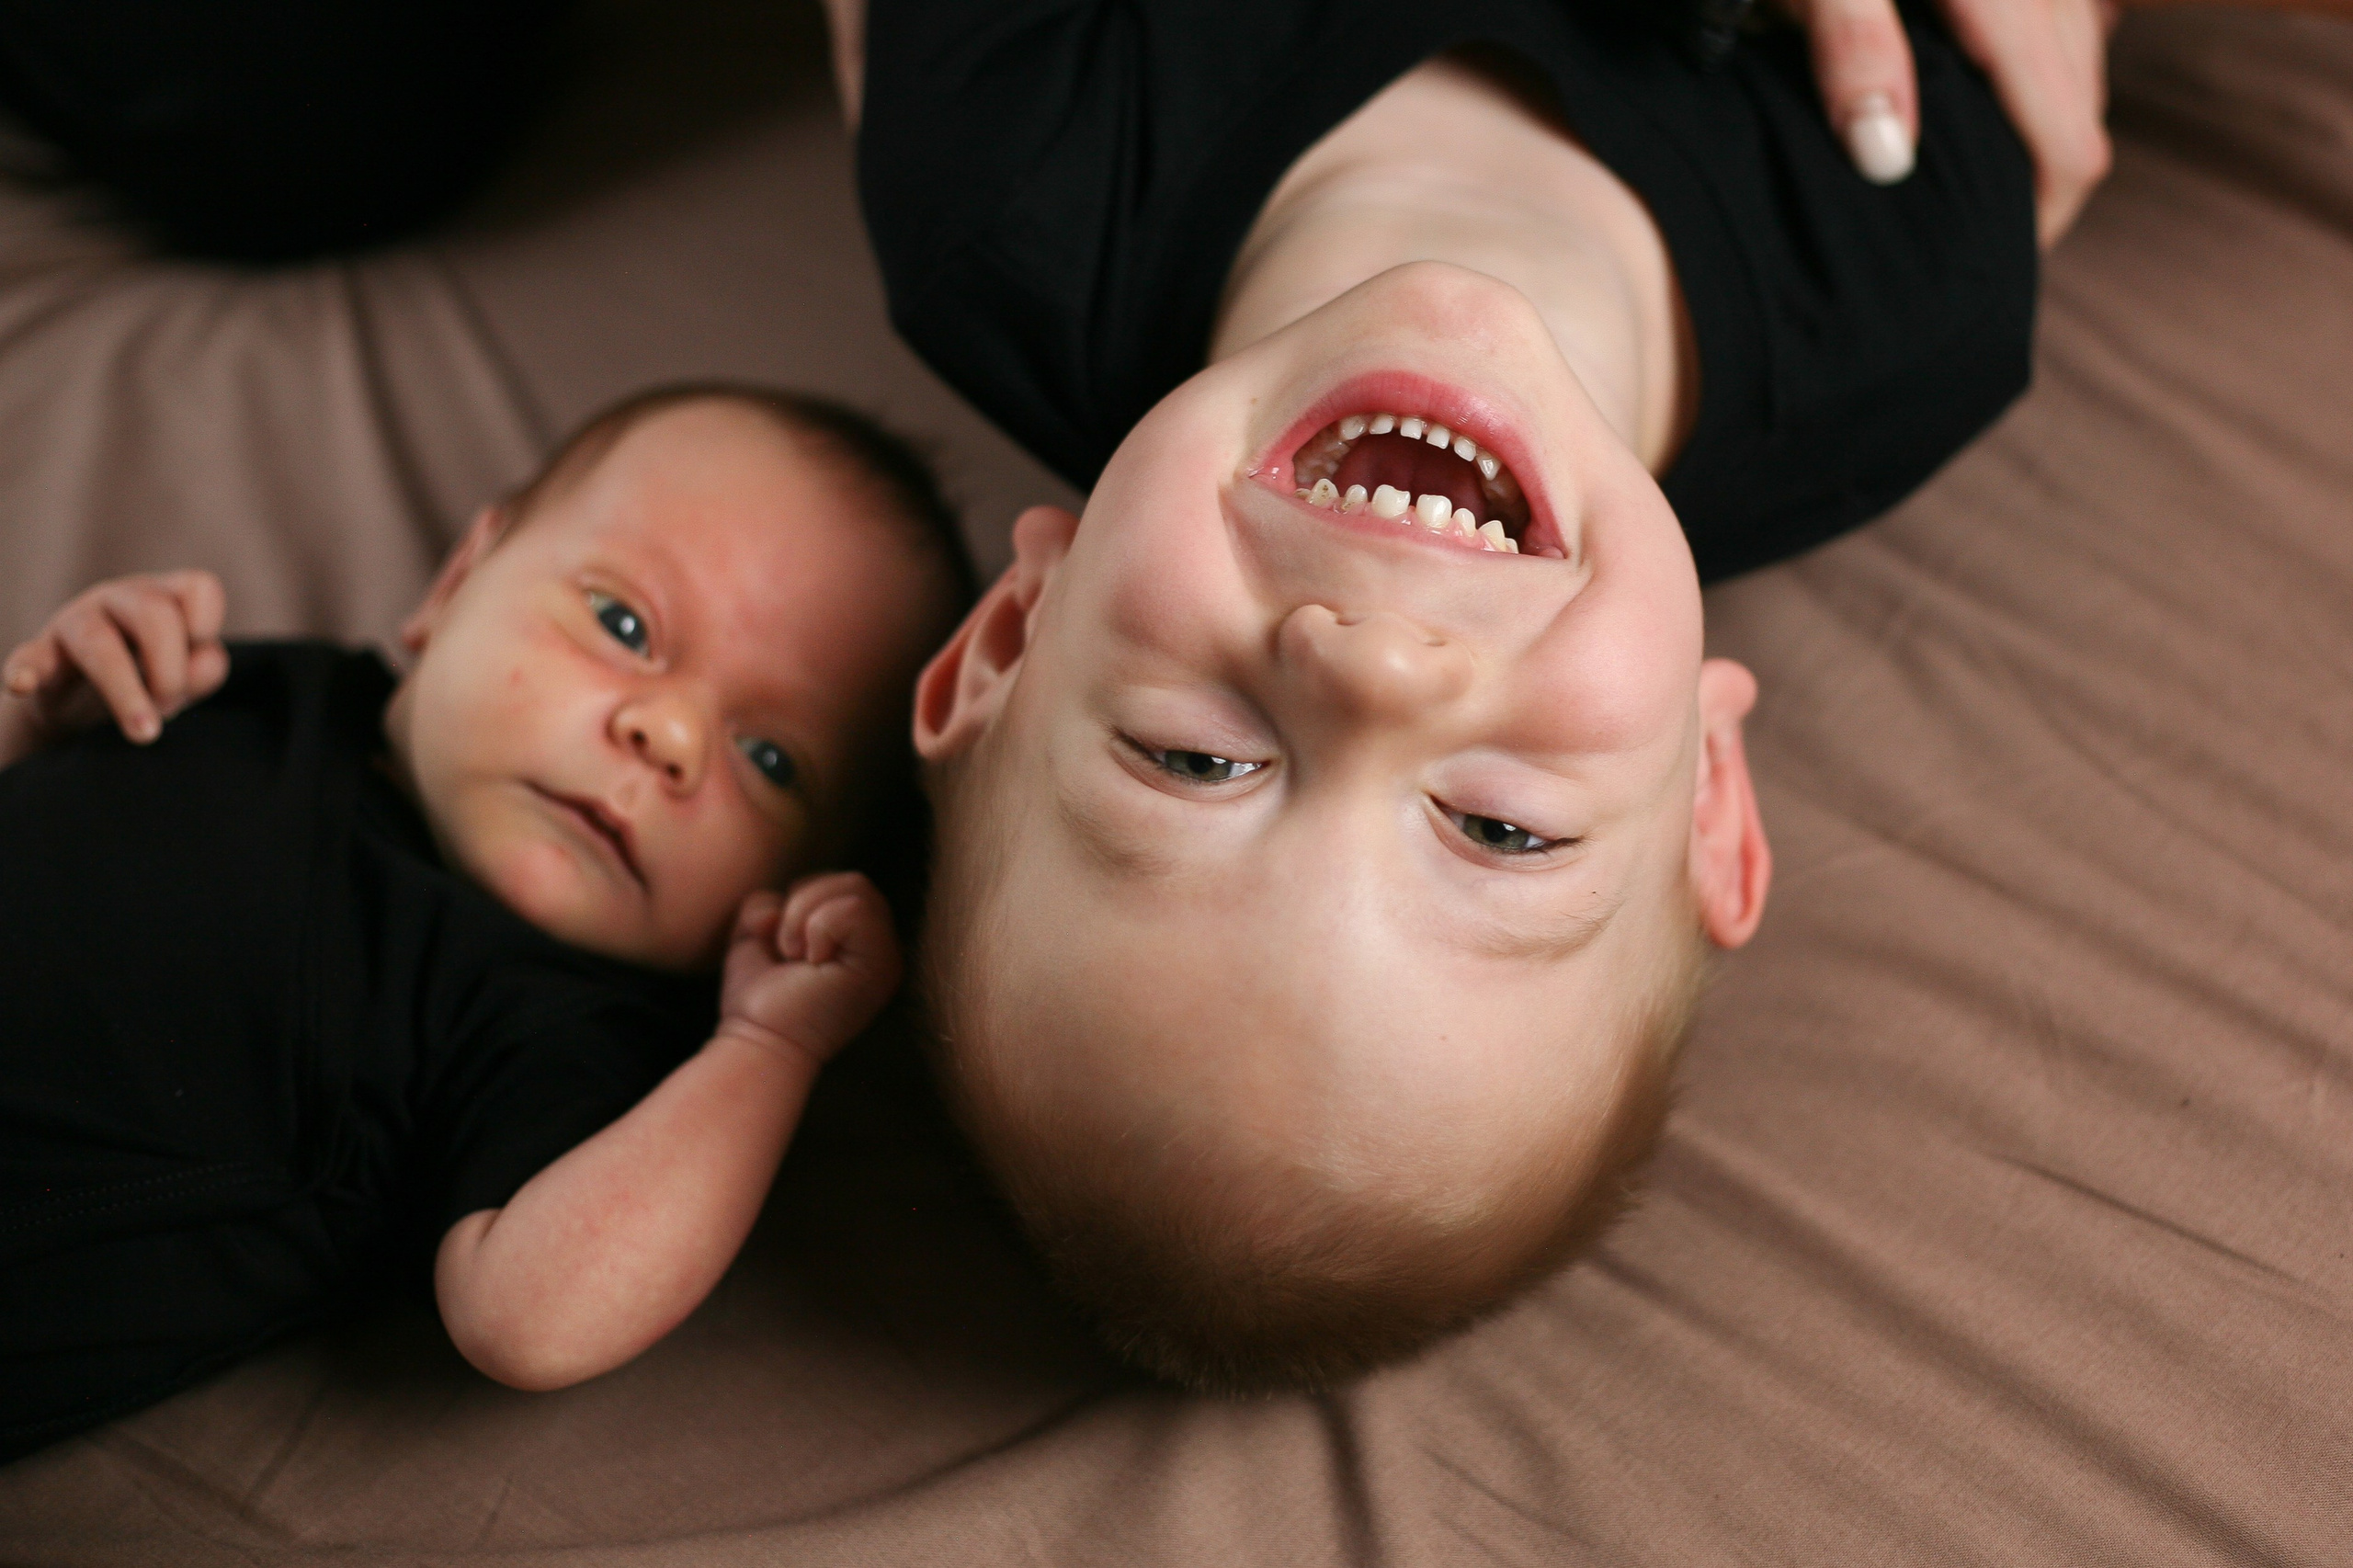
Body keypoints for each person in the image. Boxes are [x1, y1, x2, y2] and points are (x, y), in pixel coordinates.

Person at [828, 0, 2325, 1393]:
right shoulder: (1913, 294)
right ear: (1708, 799)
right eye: (1500, 832)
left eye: (1194, 760)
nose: (1376, 669)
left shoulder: (1000, 169)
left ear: (1014, 638)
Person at [0, 386, 969, 1461]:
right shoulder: (270, 691)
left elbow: (526, 1316)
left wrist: (770, 1045)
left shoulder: (557, 1024)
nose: (671, 733)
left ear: (797, 877)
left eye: (771, 760)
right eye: (624, 623)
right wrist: (43, 712)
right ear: (457, 581)